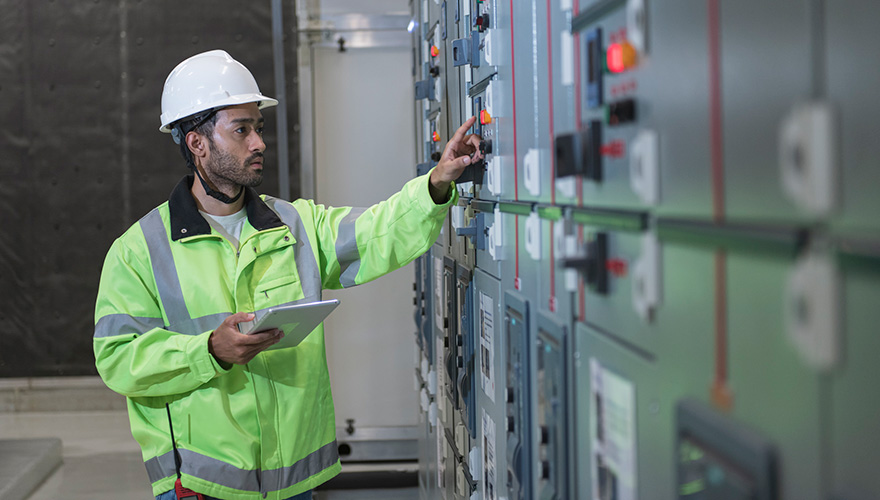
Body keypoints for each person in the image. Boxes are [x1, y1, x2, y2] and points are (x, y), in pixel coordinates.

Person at [93, 49, 481, 500]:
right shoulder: (139, 251)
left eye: (258, 128)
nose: (258, 142)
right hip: (200, 485)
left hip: (292, 484)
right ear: (196, 143)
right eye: (241, 130)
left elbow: (379, 232)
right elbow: (119, 359)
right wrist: (208, 350)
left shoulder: (295, 226)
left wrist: (436, 183)